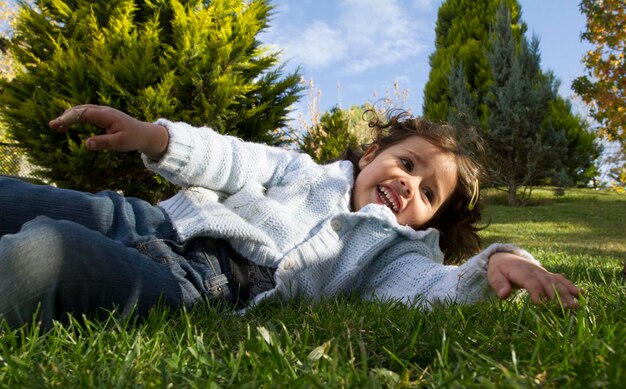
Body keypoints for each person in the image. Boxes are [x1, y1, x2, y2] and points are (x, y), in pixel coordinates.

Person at [0, 105, 581, 328]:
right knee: (19, 198)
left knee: (42, 254)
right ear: (370, 157)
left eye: (428, 193)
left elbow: (439, 287)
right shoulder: (307, 171)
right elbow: (231, 158)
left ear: (425, 225)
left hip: (195, 286)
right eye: (406, 163)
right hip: (153, 222)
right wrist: (154, 138)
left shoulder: (393, 252)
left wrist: (499, 262)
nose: (409, 185)